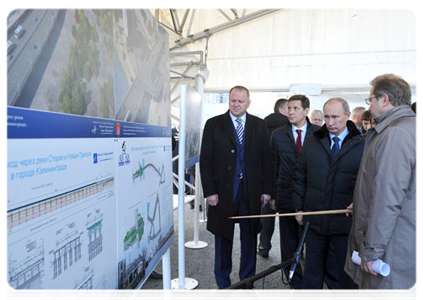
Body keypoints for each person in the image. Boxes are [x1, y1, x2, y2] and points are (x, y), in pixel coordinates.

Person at [344, 74, 420, 300]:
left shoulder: (395, 133)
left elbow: (388, 197)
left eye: (371, 100)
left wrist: (370, 250)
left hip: (393, 246)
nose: (370, 106)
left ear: (385, 99)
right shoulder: (410, 126)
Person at [200, 85, 272, 300]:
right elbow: (206, 161)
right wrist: (209, 191)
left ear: (248, 103)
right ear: (228, 101)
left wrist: (267, 190)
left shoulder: (259, 125)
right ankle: (223, 284)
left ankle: (247, 281)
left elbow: (266, 160)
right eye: (233, 100)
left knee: (250, 236)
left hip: (251, 191)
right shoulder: (214, 125)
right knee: (223, 236)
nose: (236, 104)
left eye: (241, 101)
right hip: (223, 193)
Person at [292, 97, 364, 300]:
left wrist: (360, 205)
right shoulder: (313, 141)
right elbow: (300, 175)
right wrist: (298, 207)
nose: (330, 122)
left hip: (345, 222)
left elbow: (368, 184)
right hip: (315, 219)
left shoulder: (361, 144)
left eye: (335, 117)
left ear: (348, 116)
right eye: (327, 117)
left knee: (347, 275)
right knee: (312, 274)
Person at [271, 95, 320, 299]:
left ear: (306, 111)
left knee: (314, 242)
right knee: (289, 242)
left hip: (312, 197)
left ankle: (312, 282)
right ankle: (295, 282)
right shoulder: (278, 135)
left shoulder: (319, 133)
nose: (291, 112)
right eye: (289, 108)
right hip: (286, 196)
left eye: (295, 108)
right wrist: (273, 195)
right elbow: (273, 166)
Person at [258, 98, 289, 258]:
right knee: (287, 222)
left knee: (267, 216)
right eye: (288, 108)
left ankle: (264, 246)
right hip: (285, 179)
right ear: (282, 111)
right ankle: (291, 254)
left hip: (267, 180)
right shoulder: (288, 128)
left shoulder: (262, 125)